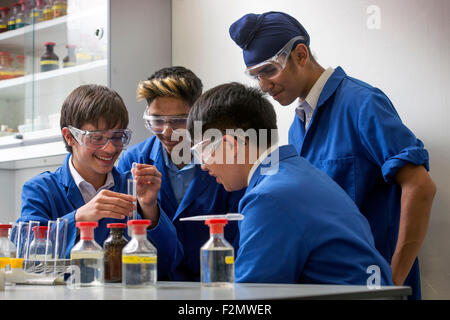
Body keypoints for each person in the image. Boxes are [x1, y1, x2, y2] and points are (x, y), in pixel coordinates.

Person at [228, 11, 436, 298]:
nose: (263, 86)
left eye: (268, 71)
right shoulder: (296, 127)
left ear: (300, 54)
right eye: (256, 77)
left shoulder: (363, 103)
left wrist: (393, 281)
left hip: (373, 286)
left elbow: (421, 186)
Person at [186, 82, 393, 286]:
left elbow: (250, 297)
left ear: (229, 145)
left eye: (201, 152)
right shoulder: (298, 174)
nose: (203, 165)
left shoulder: (268, 198)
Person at [17, 84, 182, 277]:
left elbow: (168, 263)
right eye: (96, 138)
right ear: (69, 136)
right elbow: (27, 258)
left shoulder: (134, 187)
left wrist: (149, 208)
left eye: (118, 137)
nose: (110, 149)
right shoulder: (41, 190)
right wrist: (78, 217)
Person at [117, 66, 244, 281]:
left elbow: (241, 229)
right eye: (157, 121)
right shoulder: (134, 161)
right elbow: (124, 234)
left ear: (198, 114)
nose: (167, 132)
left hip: (218, 283)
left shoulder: (225, 158)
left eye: (178, 121)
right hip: (155, 283)